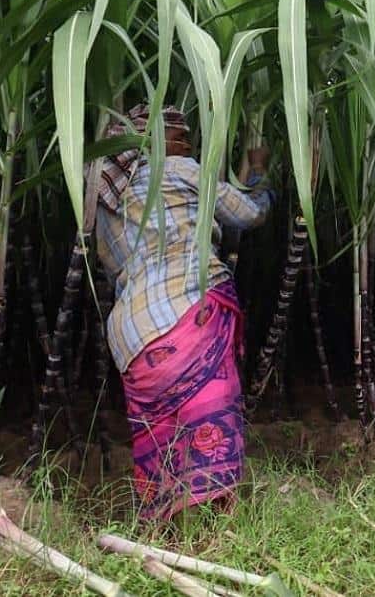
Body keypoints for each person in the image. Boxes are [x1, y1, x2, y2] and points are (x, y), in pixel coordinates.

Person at [94, 105, 274, 522]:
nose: (188, 146)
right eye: (182, 138)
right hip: (186, 314)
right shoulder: (176, 169)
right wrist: (259, 173)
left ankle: (169, 529)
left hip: (133, 338)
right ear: (159, 141)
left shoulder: (104, 198)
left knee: (164, 439)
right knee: (208, 423)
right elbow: (249, 213)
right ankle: (213, 531)